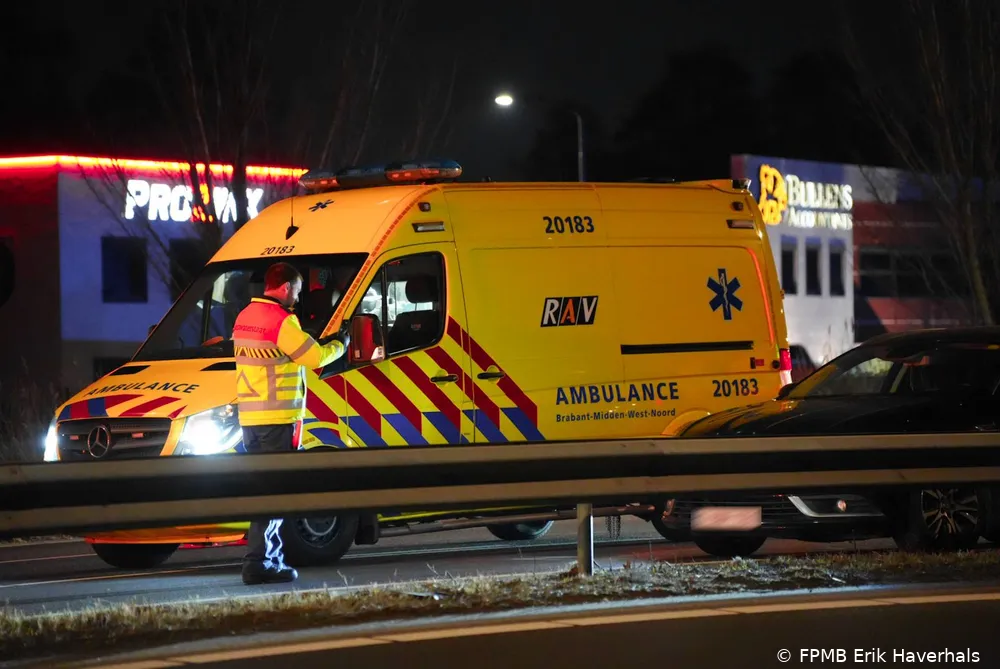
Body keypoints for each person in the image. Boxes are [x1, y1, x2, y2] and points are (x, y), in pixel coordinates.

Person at [232, 261, 350, 585]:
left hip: (250, 419)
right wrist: (340, 344)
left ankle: (263, 559)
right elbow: (314, 358)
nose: (297, 298)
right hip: (277, 419)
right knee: (276, 494)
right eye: (296, 291)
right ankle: (261, 562)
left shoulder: (245, 317)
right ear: (285, 288)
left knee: (263, 492)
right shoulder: (281, 320)